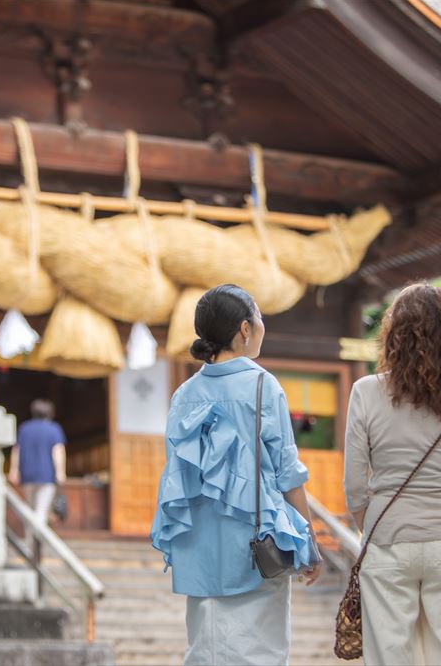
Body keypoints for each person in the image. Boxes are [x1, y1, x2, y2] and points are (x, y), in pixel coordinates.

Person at [150, 284, 322, 666]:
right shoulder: (263, 385)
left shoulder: (183, 395)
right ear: (245, 328)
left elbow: (179, 474)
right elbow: (287, 474)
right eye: (259, 317)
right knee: (261, 651)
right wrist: (308, 542)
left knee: (204, 651)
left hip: (198, 544)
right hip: (253, 545)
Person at [343, 283, 441, 666]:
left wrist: (373, 521)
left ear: (393, 333)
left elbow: (356, 486)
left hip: (388, 538)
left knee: (392, 656)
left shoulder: (365, 392)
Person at [8, 398, 67, 548]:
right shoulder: (54, 429)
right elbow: (57, 450)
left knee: (30, 508)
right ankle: (36, 540)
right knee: (41, 511)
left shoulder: (25, 428)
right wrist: (60, 472)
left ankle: (30, 540)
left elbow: (17, 450)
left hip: (27, 474)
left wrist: (13, 470)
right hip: (46, 475)